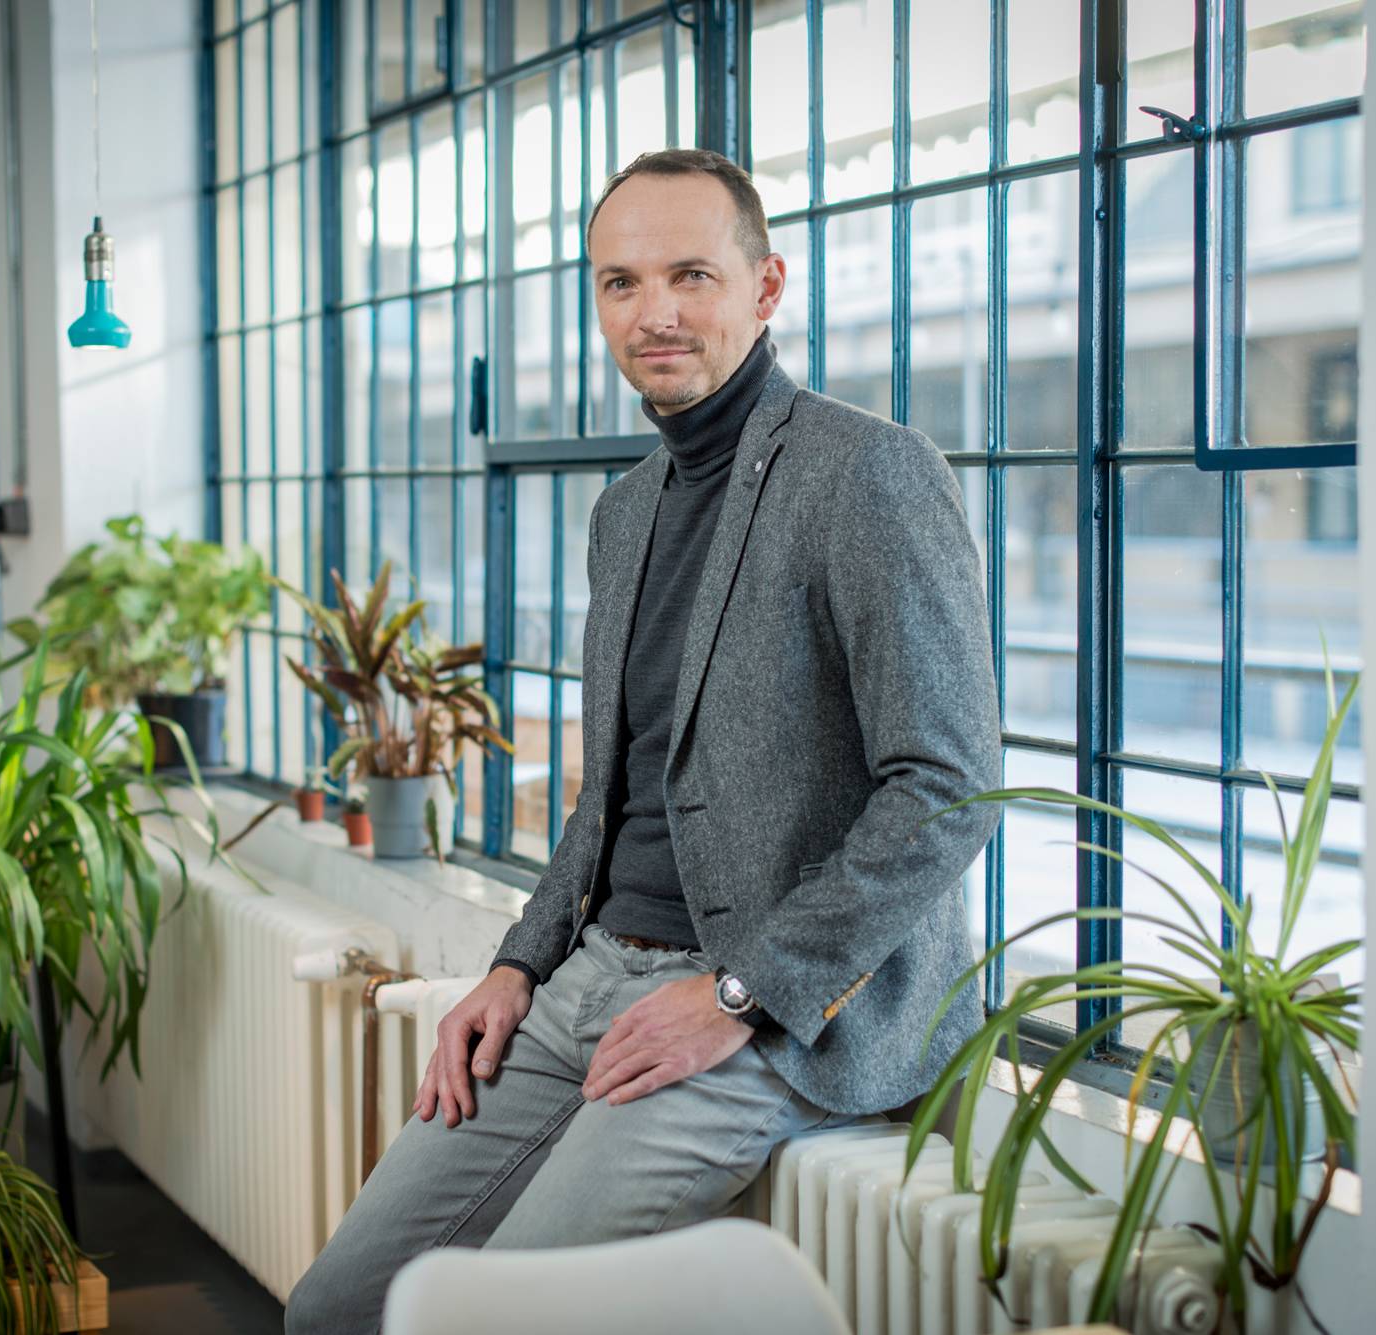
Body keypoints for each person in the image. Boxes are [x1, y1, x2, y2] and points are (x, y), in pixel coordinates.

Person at [283, 147, 1001, 1333]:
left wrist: (739, 993)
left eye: (688, 275)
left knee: (491, 1323)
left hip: (763, 1013)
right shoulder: (624, 512)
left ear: (764, 287)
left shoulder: (868, 471)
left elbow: (946, 787)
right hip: (584, 980)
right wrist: (515, 965)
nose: (652, 312)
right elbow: (606, 795)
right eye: (619, 283)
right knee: (332, 1309)